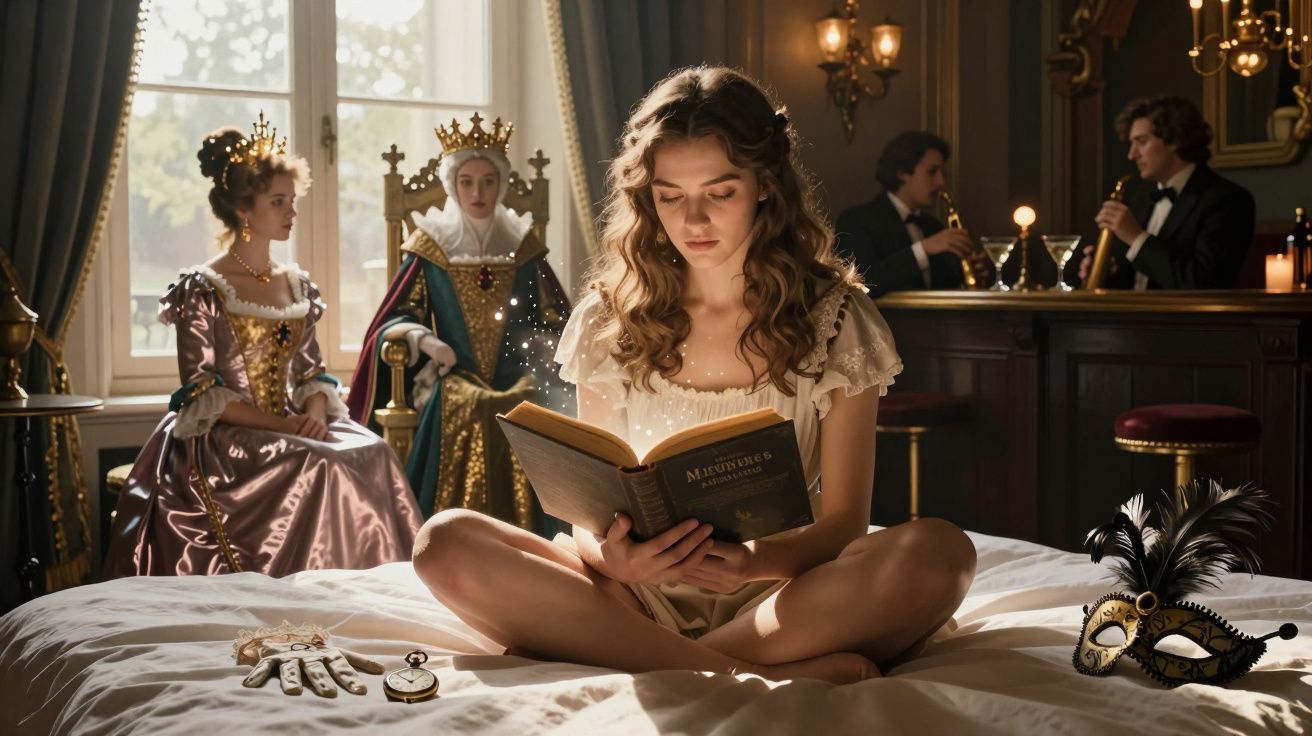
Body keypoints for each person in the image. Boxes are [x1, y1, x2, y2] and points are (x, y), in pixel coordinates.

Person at [410, 67, 976, 685]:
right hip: (633, 596)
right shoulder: (608, 317)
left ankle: (624, 652)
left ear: (765, 185)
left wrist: (750, 563)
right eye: (670, 196)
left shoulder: (836, 319)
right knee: (444, 542)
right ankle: (728, 669)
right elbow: (589, 518)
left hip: (784, 593)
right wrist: (617, 561)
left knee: (940, 555)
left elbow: (843, 522)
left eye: (720, 193)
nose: (694, 220)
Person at [104, 114, 423, 578]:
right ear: (243, 210)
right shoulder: (203, 289)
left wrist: (315, 415)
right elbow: (201, 392)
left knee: (372, 452)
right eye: (278, 202)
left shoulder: (295, 284)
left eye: (292, 201)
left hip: (293, 423)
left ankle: (363, 587)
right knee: (319, 464)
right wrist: (286, 426)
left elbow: (312, 372)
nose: (291, 212)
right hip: (224, 438)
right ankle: (299, 587)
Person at [347, 113, 573, 530]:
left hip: (518, 377)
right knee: (468, 402)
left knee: (524, 402)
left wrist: (542, 345)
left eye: (488, 181)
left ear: (501, 185)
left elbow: (555, 317)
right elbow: (396, 314)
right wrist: (427, 341)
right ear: (453, 185)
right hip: (456, 378)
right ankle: (455, 531)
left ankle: (532, 533)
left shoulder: (523, 247)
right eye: (467, 182)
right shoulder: (431, 247)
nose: (477, 192)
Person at [1078, 96, 1256, 289]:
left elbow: (1204, 282)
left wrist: (1136, 237)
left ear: (1174, 140)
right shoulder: (1138, 196)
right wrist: (1107, 272)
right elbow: (1139, 279)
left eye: (1142, 141)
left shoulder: (1229, 200)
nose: (1132, 155)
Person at [834, 131, 987, 297]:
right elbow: (862, 284)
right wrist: (923, 249)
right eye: (932, 172)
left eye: (942, 173)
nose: (941, 182)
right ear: (902, 173)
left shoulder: (933, 226)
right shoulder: (856, 221)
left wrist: (973, 273)